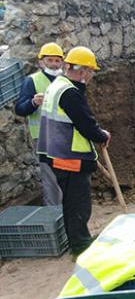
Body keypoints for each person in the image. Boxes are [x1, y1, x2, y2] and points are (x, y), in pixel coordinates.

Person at [37, 46, 110, 256]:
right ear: (83, 70)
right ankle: (80, 246)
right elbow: (85, 124)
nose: (92, 76)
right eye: (91, 71)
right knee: (78, 204)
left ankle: (79, 240)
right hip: (70, 156)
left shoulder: (58, 85)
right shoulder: (70, 93)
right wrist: (102, 136)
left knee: (70, 202)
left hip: (56, 154)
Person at [14, 42, 65, 206]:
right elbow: (20, 109)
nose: (54, 64)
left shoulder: (66, 80)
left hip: (67, 136)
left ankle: (68, 213)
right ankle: (55, 214)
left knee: (67, 177)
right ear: (41, 62)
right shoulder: (32, 81)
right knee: (51, 179)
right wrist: (33, 102)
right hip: (44, 137)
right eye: (50, 60)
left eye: (57, 61)